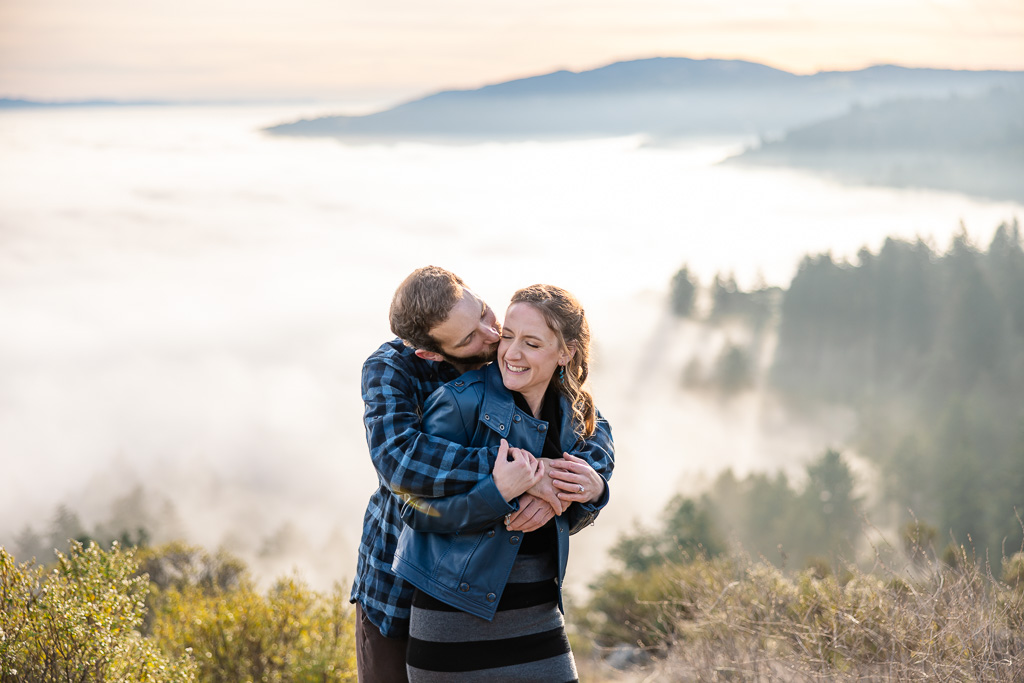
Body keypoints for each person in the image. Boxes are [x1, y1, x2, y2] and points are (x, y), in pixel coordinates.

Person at [352, 268, 615, 682]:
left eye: (484, 314)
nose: (492, 337)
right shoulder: (394, 370)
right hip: (396, 584)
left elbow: (588, 423)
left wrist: (590, 483)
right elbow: (402, 463)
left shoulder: (508, 348)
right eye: (469, 337)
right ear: (432, 353)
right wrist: (520, 472)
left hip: (515, 597)